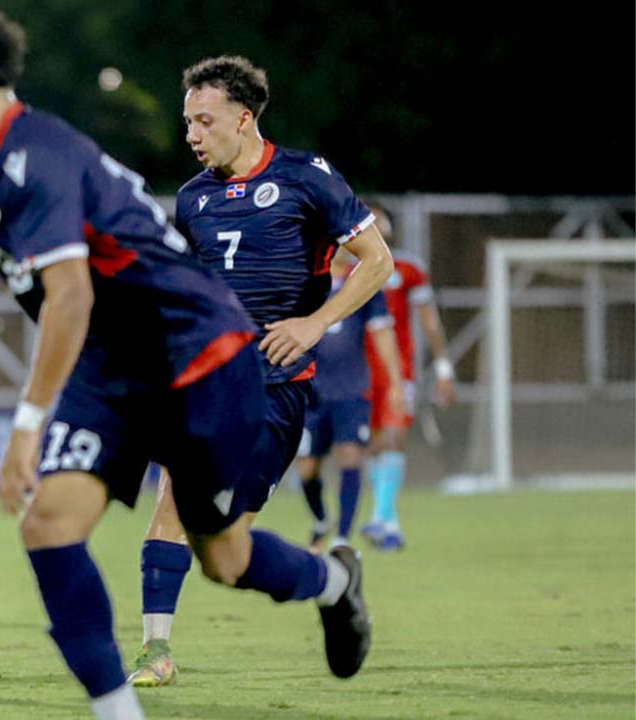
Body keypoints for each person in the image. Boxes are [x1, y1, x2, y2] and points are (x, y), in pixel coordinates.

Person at [0, 6, 378, 717]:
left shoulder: (34, 159)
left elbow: (69, 297)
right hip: (119, 366)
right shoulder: (14, 162)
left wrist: (28, 424)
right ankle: (119, 707)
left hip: (203, 360)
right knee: (49, 524)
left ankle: (335, 586)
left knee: (225, 559)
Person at [130, 55, 396, 687]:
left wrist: (314, 322)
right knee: (170, 499)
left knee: (224, 555)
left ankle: (333, 580)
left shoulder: (307, 178)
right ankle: (155, 651)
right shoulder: (192, 199)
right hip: (203, 384)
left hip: (275, 390)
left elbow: (376, 260)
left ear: (243, 119)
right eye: (187, 121)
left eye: (205, 120)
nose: (191, 134)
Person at [297, 250, 405, 550]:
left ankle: (343, 538)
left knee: (351, 457)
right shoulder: (305, 279)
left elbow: (382, 333)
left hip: (351, 389)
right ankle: (321, 520)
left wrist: (396, 383)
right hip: (310, 390)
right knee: (307, 469)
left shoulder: (363, 281)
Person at [361, 206, 455, 551]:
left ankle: (379, 516)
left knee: (395, 436)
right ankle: (389, 521)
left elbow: (430, 322)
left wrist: (444, 370)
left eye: (377, 218)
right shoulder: (344, 266)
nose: (373, 224)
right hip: (357, 372)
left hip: (399, 371)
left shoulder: (408, 268)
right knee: (373, 445)